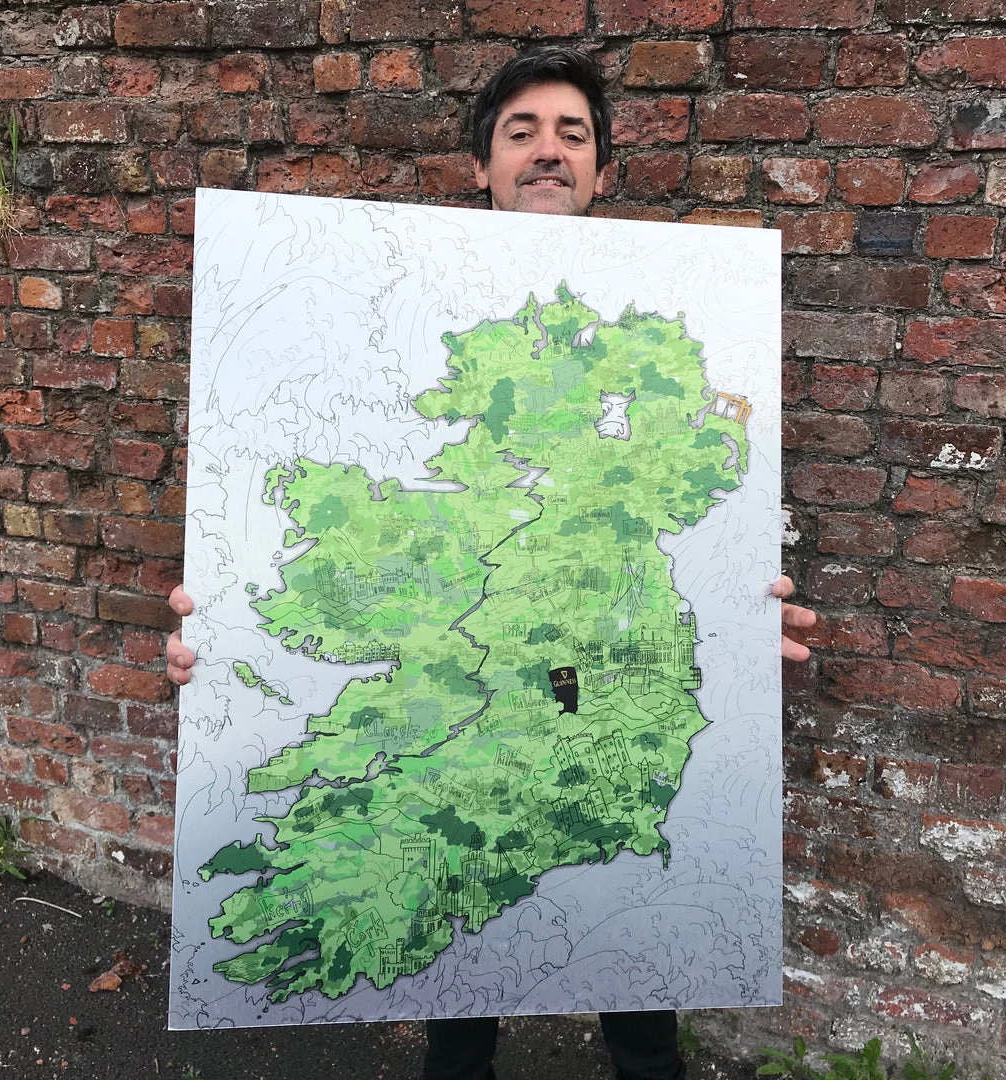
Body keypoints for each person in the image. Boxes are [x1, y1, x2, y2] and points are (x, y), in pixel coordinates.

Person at [166, 46, 816, 1080]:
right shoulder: (401, 315)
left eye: (572, 134)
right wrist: (225, 634)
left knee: (644, 1005)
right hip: (486, 686)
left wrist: (745, 624)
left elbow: (696, 511)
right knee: (456, 1002)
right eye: (522, 133)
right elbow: (290, 531)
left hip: (614, 680)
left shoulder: (676, 324)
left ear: (601, 169)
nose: (548, 151)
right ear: (481, 165)